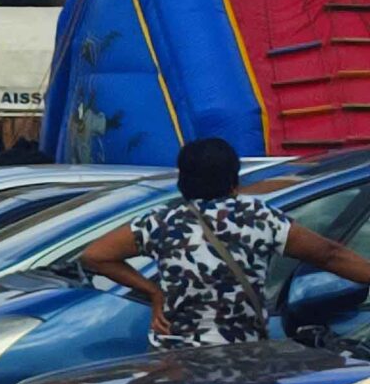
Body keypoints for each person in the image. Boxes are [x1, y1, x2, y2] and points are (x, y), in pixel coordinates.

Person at [84, 137, 370, 347]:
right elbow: (328, 254)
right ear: (233, 179)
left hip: (175, 357)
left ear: (183, 181)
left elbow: (95, 255)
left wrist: (154, 292)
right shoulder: (258, 217)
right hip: (241, 355)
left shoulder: (162, 221)